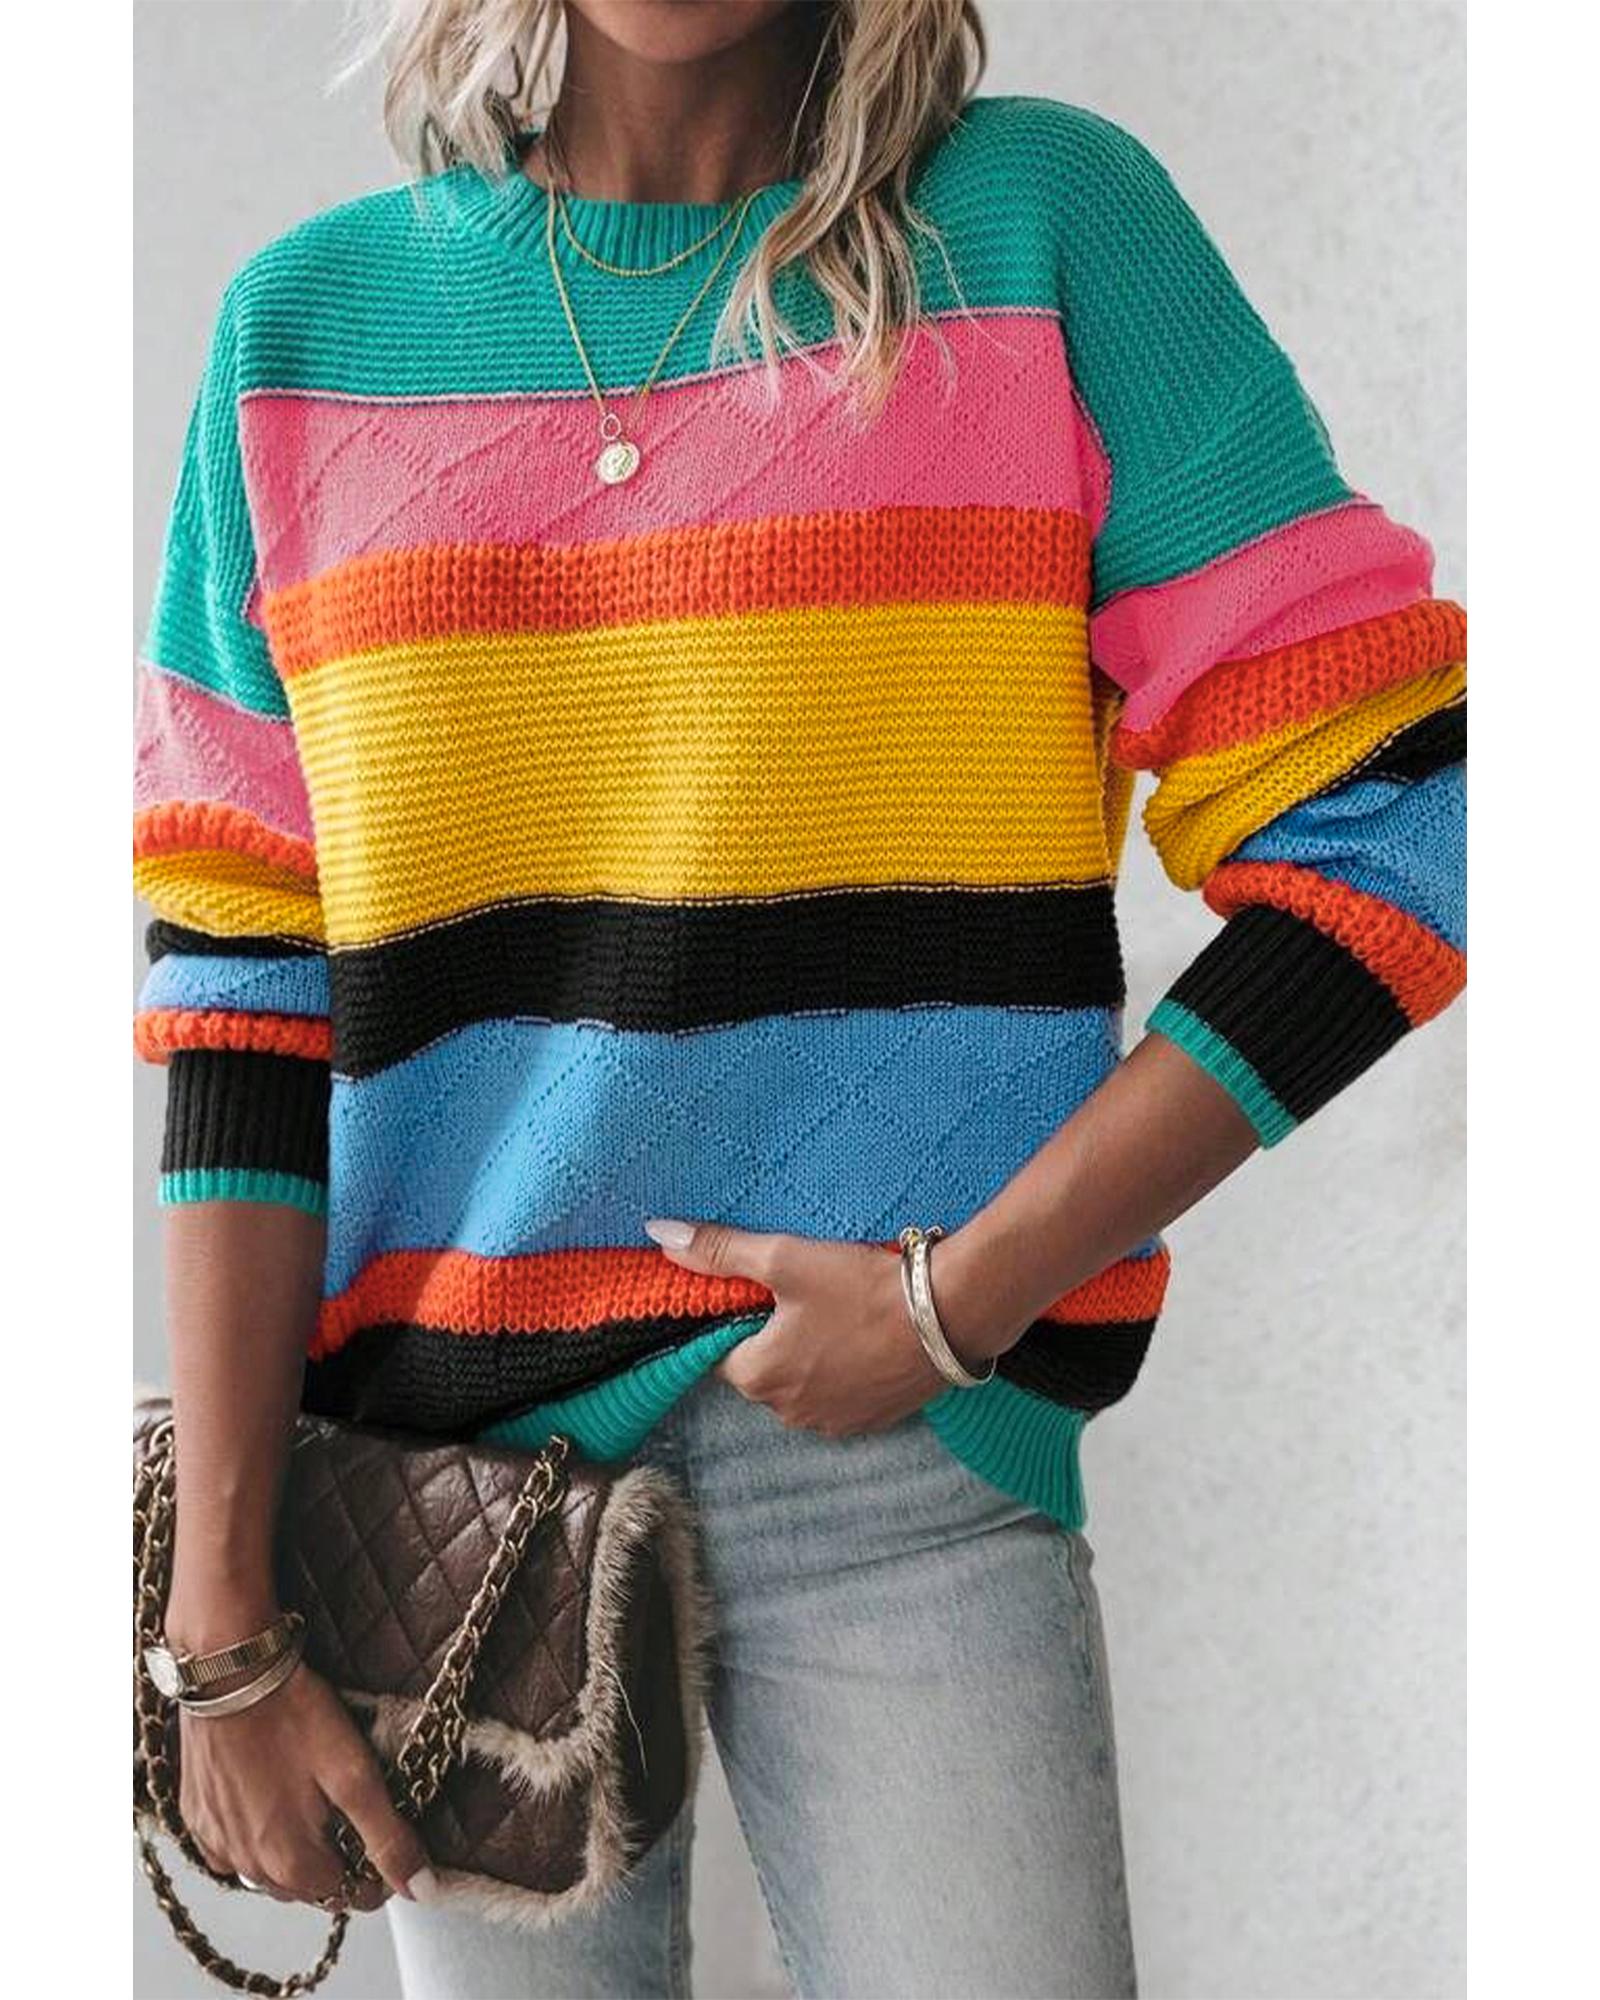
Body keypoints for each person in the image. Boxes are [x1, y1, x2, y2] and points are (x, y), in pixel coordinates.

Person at [130, 2, 1466, 1995]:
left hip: (904, 1484)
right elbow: (242, 993)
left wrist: (966, 1293)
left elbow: (1401, 817)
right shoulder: (301, 337)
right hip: (451, 1516)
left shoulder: (1038, 234)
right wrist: (219, 1626)